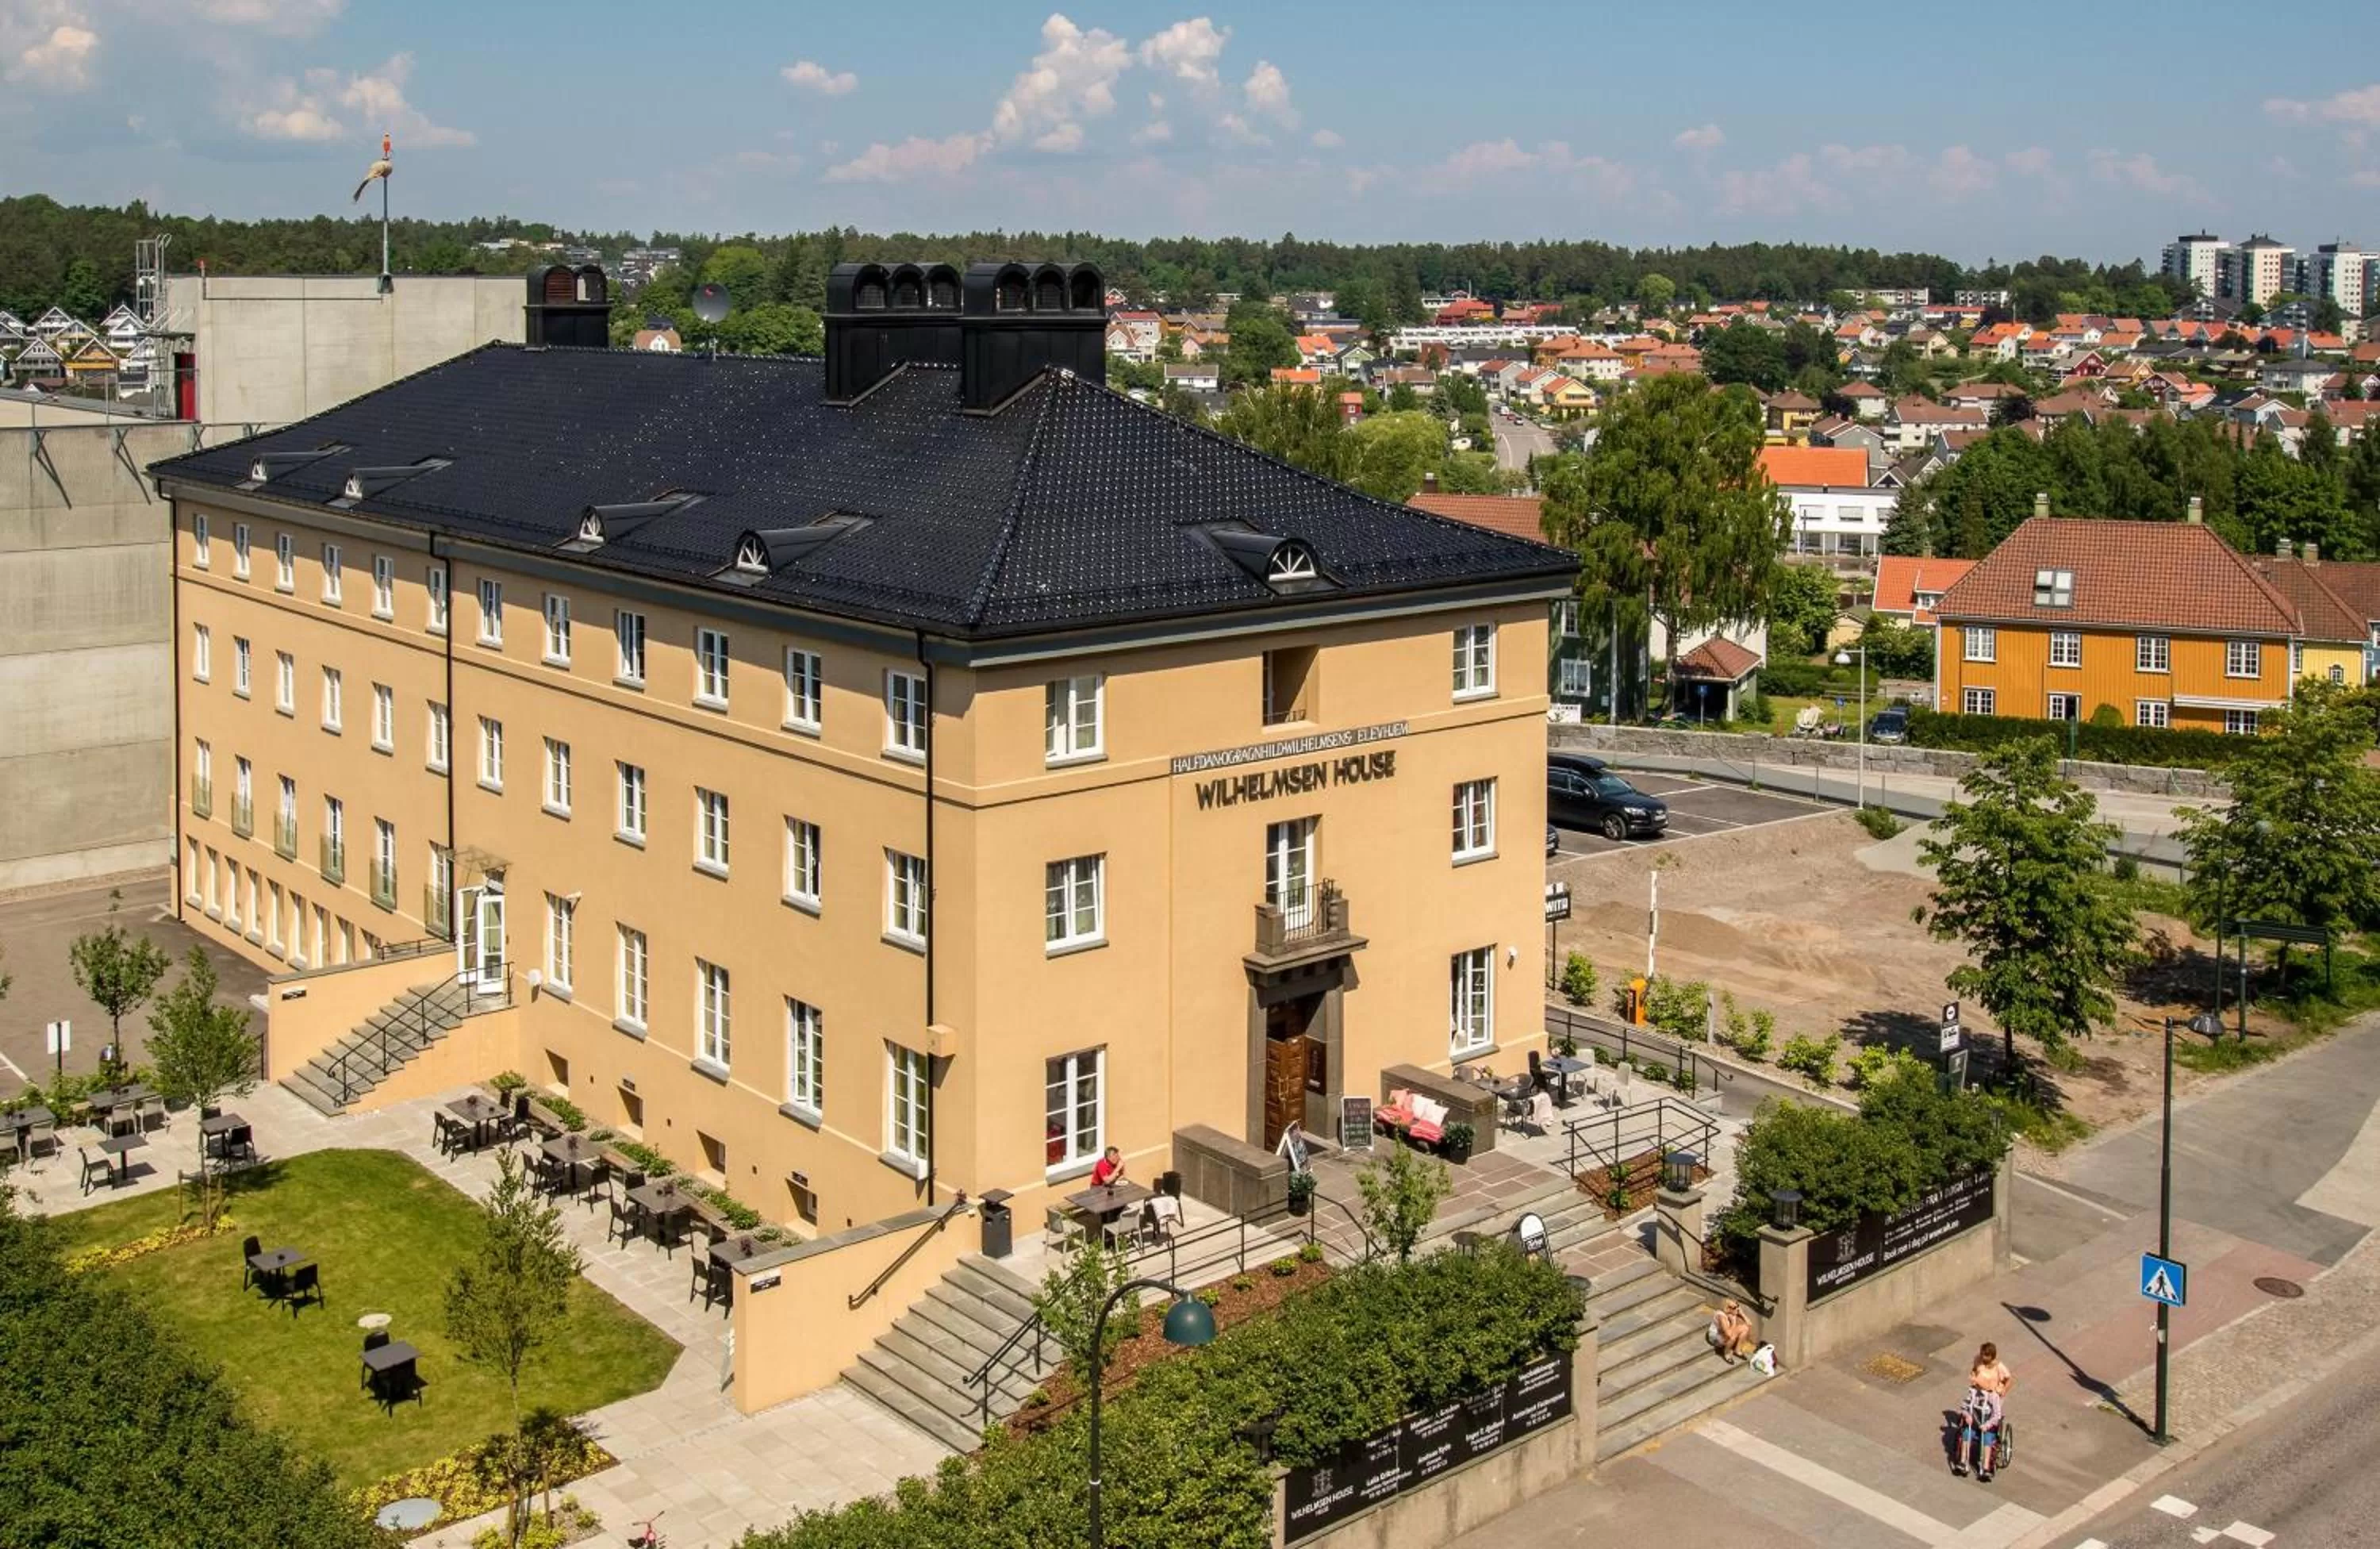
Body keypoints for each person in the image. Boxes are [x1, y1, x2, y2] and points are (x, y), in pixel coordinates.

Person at [1955, 1342, 2013, 1480]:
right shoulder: (1974, 1390)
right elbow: (1966, 1406)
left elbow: (1997, 1415)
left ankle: (1986, 1466)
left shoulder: (1999, 1368)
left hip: (1992, 1401)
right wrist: (1967, 1415)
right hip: (1977, 1411)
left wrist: (2001, 1391)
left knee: (1988, 1437)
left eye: (1985, 1355)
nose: (1982, 1357)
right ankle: (1963, 1462)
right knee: (1967, 1432)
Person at [1706, 1299, 1756, 1364]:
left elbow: (1749, 1324)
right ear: (1728, 1308)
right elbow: (1729, 1335)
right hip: (1716, 1337)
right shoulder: (1721, 1317)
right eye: (1735, 1307)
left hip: (1724, 1334)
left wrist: (1742, 1314)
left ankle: (1737, 1350)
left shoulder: (1731, 1313)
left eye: (1738, 1305)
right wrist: (1733, 1322)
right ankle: (1726, 1353)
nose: (1738, 1309)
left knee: (1745, 1328)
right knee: (1732, 1337)